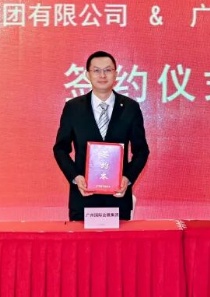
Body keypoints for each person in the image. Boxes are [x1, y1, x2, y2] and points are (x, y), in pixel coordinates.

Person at [53, 51, 150, 221]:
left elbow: (141, 150)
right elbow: (60, 148)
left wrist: (127, 178)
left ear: (116, 74)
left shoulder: (130, 107)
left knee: (119, 240)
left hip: (118, 198)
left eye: (108, 70)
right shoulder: (73, 108)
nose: (102, 75)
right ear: (87, 74)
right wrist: (75, 177)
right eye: (96, 70)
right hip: (83, 198)